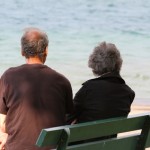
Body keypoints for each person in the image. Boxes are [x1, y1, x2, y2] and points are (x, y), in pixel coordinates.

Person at [0, 28, 74, 150]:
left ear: (22, 52)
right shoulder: (62, 81)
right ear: (46, 50)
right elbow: (68, 119)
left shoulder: (8, 77)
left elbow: (1, 118)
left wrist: (3, 135)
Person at [67, 41, 135, 125]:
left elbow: (67, 118)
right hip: (110, 138)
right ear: (118, 63)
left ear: (95, 63)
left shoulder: (89, 89)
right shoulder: (128, 93)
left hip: (84, 137)